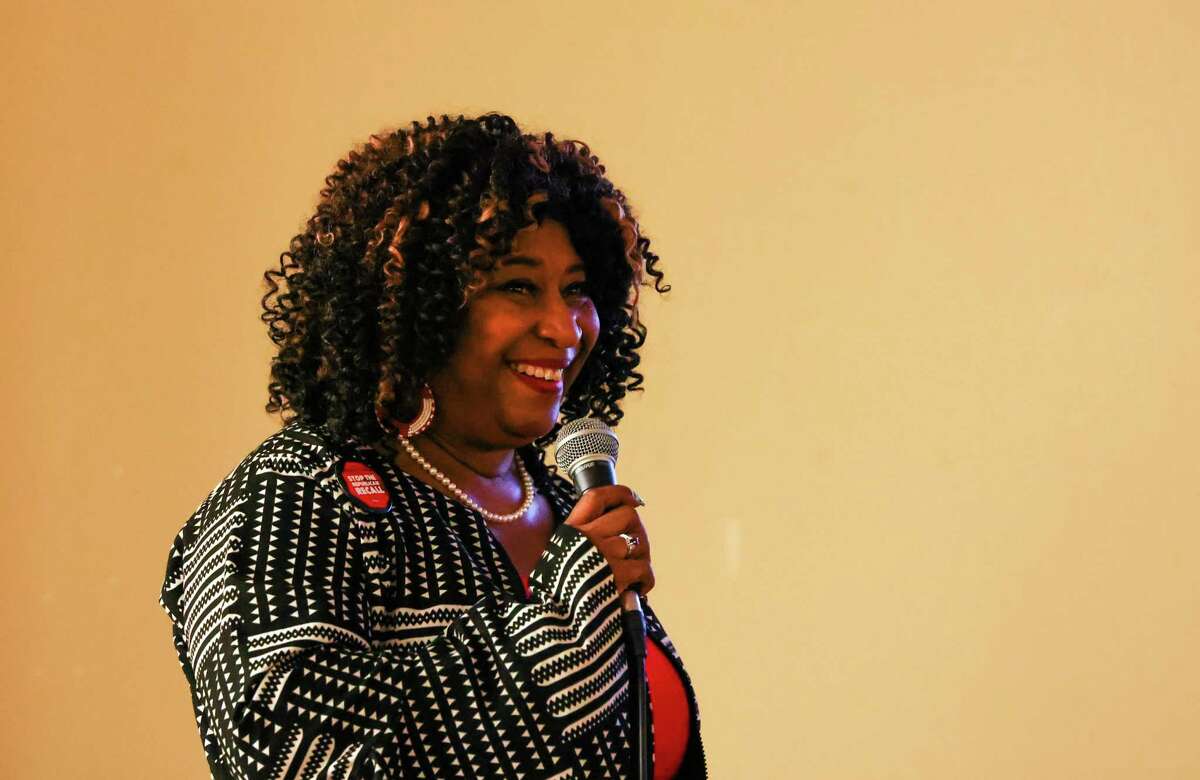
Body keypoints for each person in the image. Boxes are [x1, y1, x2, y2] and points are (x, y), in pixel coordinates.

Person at [158, 113, 707, 779]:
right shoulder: (298, 494)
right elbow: (286, 752)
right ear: (421, 304)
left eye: (576, 290)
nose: (563, 329)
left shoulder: (567, 502)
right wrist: (556, 633)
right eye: (517, 286)